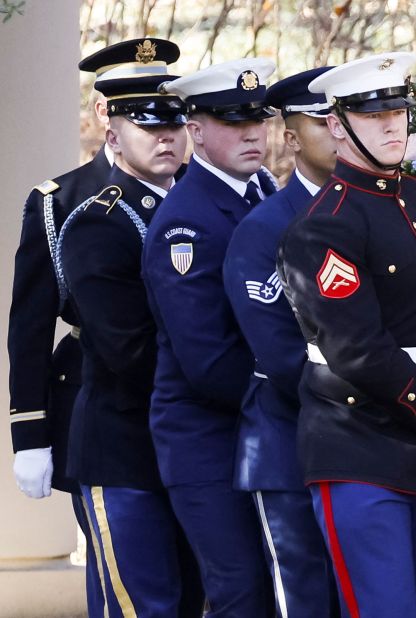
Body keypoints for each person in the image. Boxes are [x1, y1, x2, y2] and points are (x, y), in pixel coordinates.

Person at [277, 51, 416, 618]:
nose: (391, 124)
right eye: (372, 114)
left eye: (398, 111)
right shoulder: (325, 223)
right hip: (360, 441)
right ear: (336, 125)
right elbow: (355, 348)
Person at [57, 37, 203, 617]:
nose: (166, 136)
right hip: (125, 446)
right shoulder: (95, 220)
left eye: (174, 122)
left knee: (193, 600)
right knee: (142, 605)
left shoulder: (205, 203)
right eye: (147, 124)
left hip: (192, 446)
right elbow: (127, 349)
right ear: (111, 129)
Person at [141, 57, 278, 616]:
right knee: (240, 591)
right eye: (232, 121)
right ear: (194, 132)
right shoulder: (186, 222)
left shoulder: (262, 191)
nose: (252, 132)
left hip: (258, 427)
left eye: (258, 119)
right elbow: (207, 360)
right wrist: (300, 392)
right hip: (209, 441)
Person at [8, 43, 121, 618]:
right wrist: (28, 432)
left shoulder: (199, 193)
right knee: (117, 574)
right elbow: (29, 326)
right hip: (90, 401)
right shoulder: (60, 201)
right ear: (104, 113)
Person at [223, 66, 339, 617]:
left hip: (368, 449)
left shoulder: (391, 211)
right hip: (291, 446)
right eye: (325, 121)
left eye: (348, 118)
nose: (341, 131)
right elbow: (281, 353)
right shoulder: (265, 226)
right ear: (290, 138)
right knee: (308, 601)